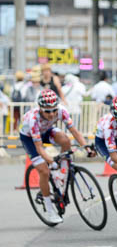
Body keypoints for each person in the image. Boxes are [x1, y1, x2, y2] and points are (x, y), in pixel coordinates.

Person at [19, 90, 95, 223]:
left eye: (54, 110)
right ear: (40, 109)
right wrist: (51, 161)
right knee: (44, 170)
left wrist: (86, 146)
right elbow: (39, 148)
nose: (52, 114)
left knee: (65, 140)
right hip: (30, 138)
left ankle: (61, 175)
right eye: (47, 111)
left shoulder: (61, 111)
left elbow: (74, 131)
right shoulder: (33, 119)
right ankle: (50, 211)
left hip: (47, 131)